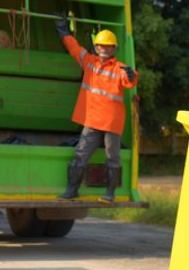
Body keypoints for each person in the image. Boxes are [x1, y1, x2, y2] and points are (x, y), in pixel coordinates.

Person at [55, 18, 138, 202]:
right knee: (80, 154)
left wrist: (132, 76)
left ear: (114, 49)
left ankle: (109, 194)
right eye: (100, 45)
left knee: (112, 158)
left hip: (111, 123)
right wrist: (63, 32)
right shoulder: (89, 62)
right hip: (93, 121)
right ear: (96, 46)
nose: (103, 49)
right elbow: (74, 48)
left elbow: (129, 80)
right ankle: (72, 190)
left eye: (107, 46)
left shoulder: (119, 68)